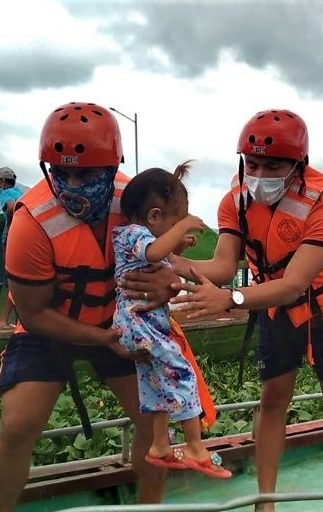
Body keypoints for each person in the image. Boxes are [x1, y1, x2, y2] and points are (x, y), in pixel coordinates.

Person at [0, 102, 179, 512]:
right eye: (62, 172)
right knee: (18, 425)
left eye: (86, 173)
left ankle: (149, 506)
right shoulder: (30, 222)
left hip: (123, 321)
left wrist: (166, 282)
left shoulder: (138, 203)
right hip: (50, 329)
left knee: (154, 420)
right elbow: (34, 313)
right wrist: (102, 339)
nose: (72, 182)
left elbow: (170, 258)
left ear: (111, 168)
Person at [168, 110, 323, 511]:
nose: (260, 174)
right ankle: (266, 501)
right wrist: (167, 262)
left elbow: (294, 283)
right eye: (253, 164)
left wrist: (232, 299)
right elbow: (223, 267)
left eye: (273, 166)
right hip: (277, 313)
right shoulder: (235, 202)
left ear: (298, 166)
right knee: (273, 399)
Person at [113, 162, 230, 479]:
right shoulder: (134, 234)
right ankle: (194, 446)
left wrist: (179, 241)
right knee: (181, 372)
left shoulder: (139, 237)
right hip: (141, 324)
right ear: (153, 217)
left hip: (140, 325)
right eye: (177, 221)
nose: (183, 227)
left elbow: (161, 252)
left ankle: (160, 445)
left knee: (155, 385)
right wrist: (185, 225)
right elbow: (152, 253)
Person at [0, 166, 22, 328]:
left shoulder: (6, 194)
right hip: (24, 235)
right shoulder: (22, 192)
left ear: (2, 181)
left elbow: (10, 207)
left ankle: (2, 318)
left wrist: (10, 223)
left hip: (11, 236)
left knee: (12, 278)